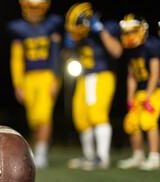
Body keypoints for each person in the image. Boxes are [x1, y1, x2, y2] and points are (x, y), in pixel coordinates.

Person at [64, 2, 123, 170]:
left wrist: (102, 31)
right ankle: (89, 155)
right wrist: (69, 46)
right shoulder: (80, 38)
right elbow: (66, 56)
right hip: (85, 77)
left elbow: (117, 51)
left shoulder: (106, 28)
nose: (74, 33)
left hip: (102, 74)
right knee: (80, 116)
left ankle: (103, 157)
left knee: (97, 113)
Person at [6, 0, 63, 169]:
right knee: (33, 119)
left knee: (44, 115)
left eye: (38, 7)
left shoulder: (53, 25)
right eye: (31, 6)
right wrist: (18, 85)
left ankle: (41, 154)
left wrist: (55, 79)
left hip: (46, 75)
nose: (34, 11)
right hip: (28, 77)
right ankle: (35, 152)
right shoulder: (18, 29)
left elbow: (56, 55)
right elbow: (16, 59)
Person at [117, 14, 160, 171]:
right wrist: (130, 98)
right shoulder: (131, 50)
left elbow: (155, 73)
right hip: (141, 90)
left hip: (155, 89)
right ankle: (138, 156)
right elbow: (131, 76)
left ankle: (155, 158)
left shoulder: (152, 45)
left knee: (147, 120)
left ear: (142, 29)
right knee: (131, 122)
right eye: (126, 32)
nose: (129, 36)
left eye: (132, 31)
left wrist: (148, 96)